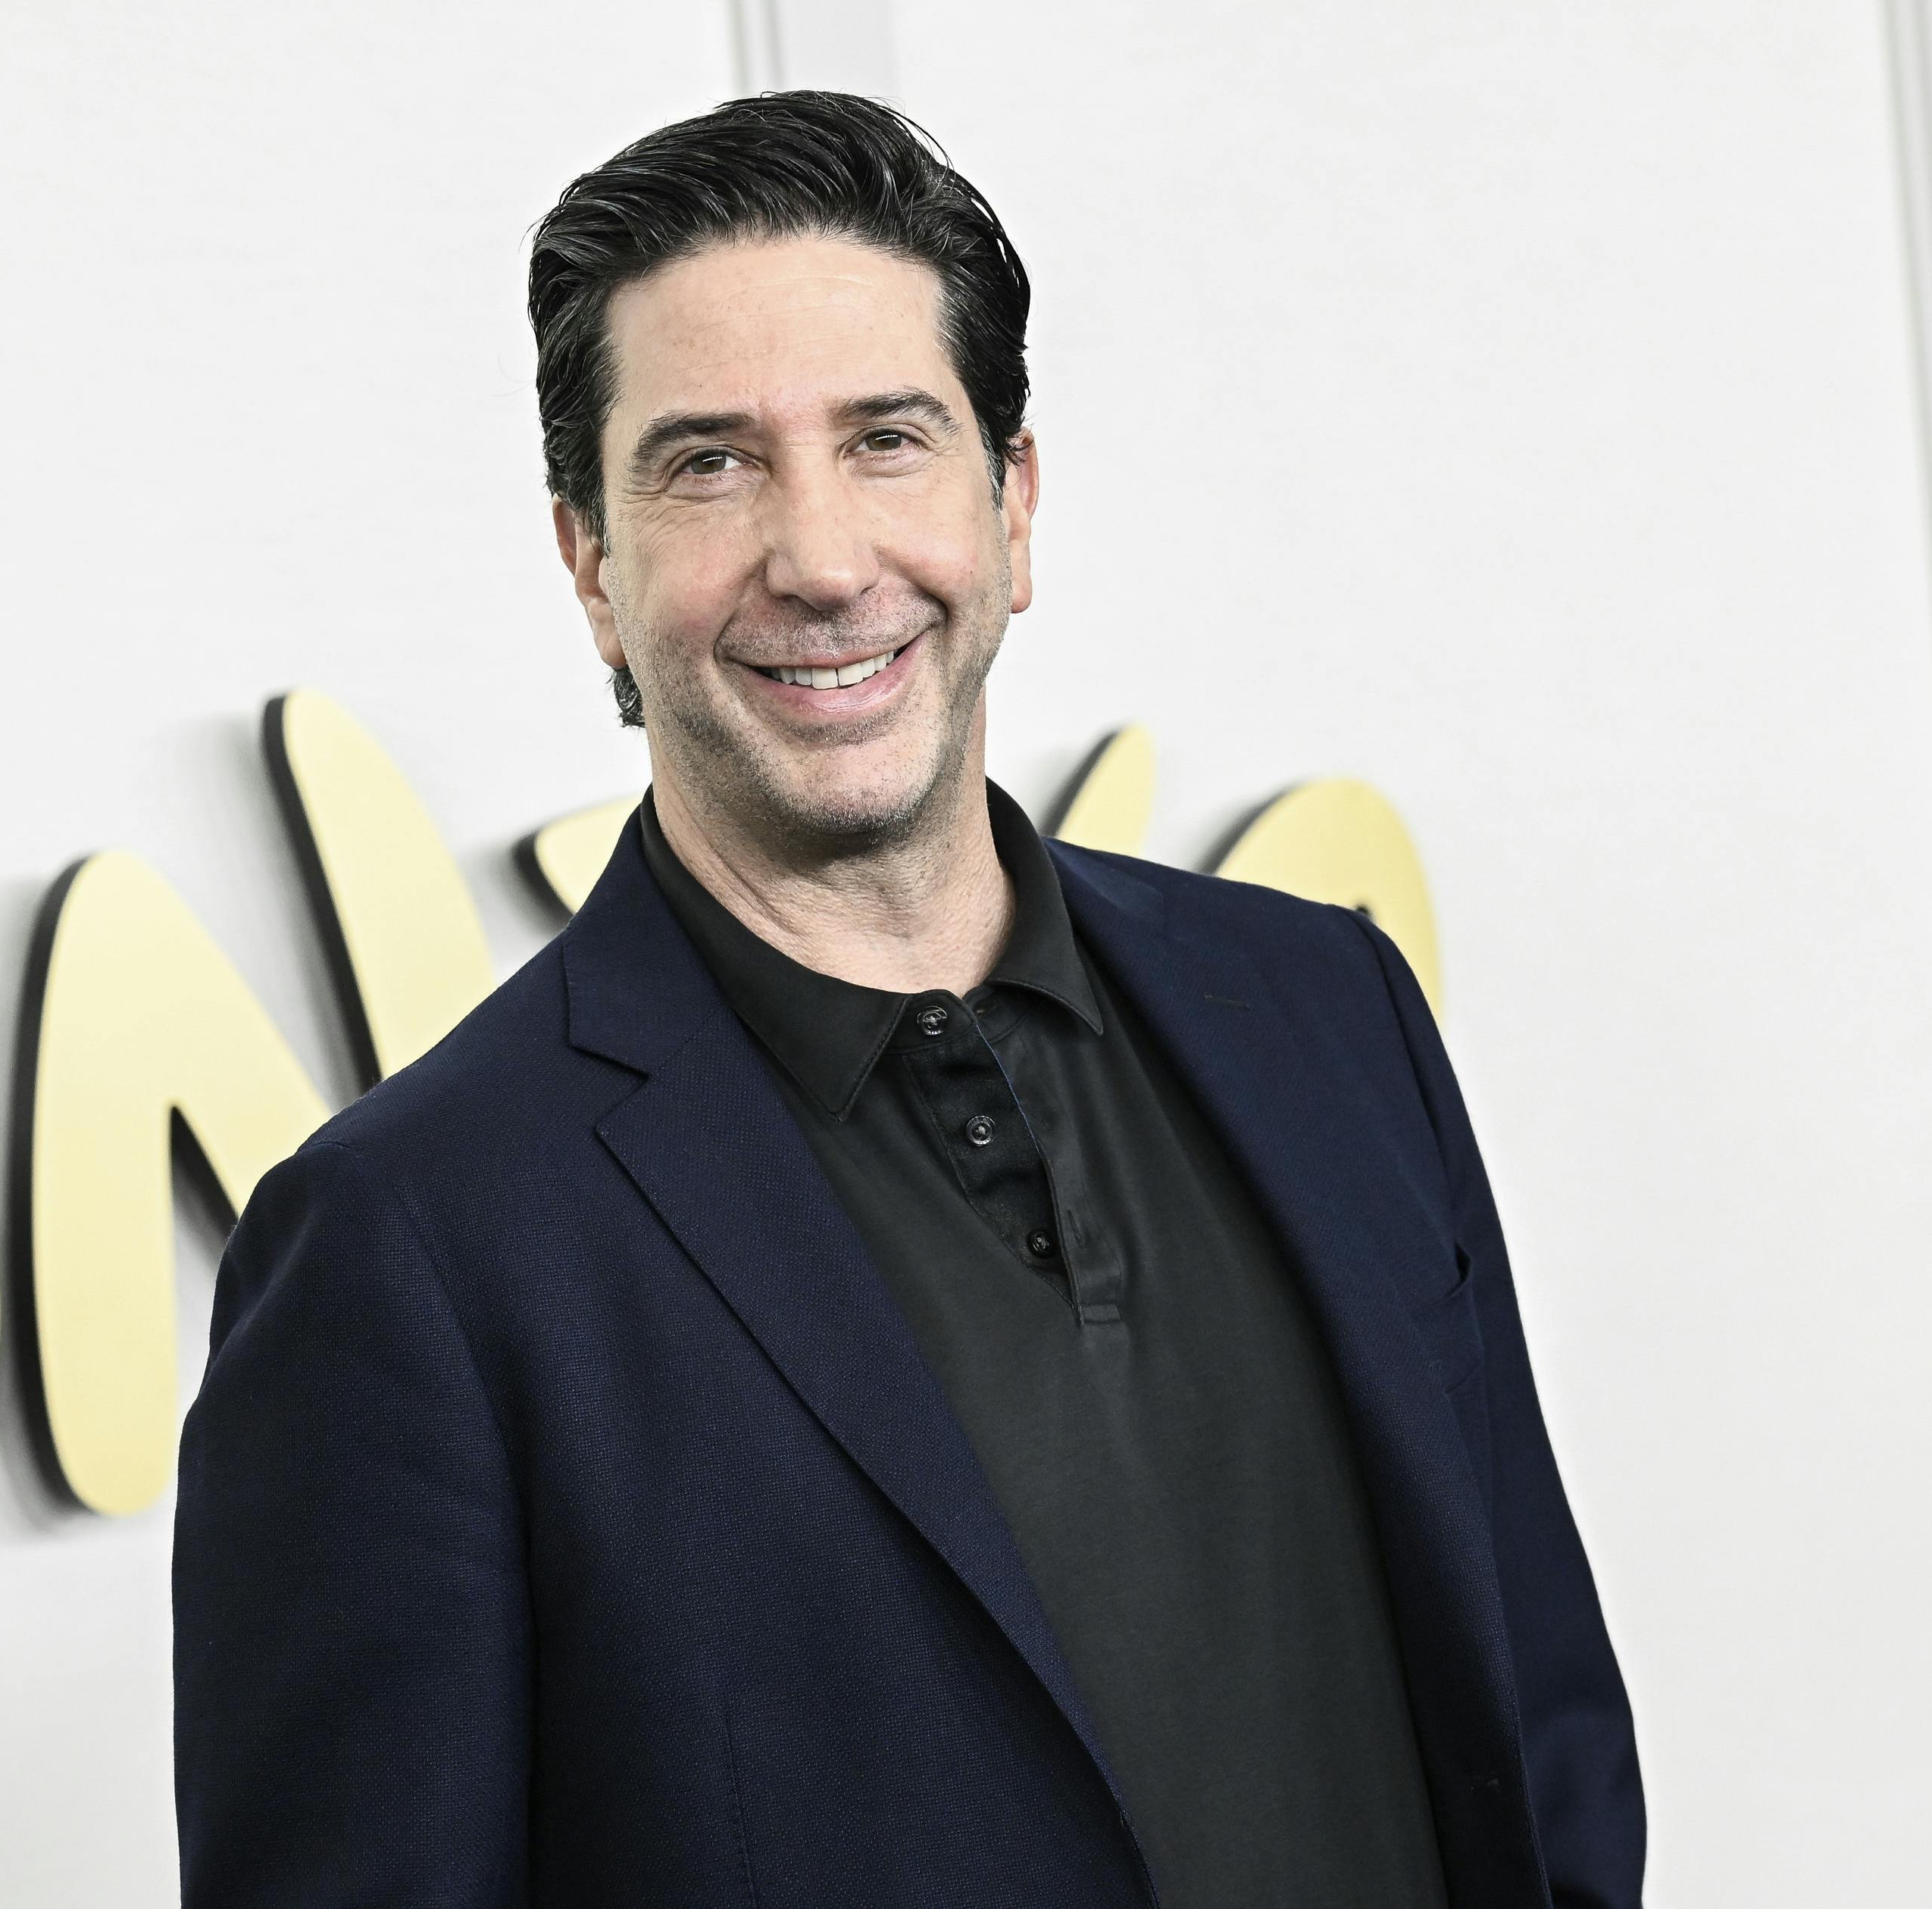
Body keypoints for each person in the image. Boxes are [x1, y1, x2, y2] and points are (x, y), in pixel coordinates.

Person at [174, 91, 1643, 1908]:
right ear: (590, 569)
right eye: (707, 462)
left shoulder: (1323, 1011)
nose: (820, 555)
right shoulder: (414, 1248)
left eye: (886, 438)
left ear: (1010, 503)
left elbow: (1540, 1737)